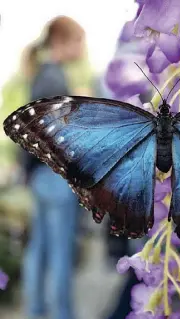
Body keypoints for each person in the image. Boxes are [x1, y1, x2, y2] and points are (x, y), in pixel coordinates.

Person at [1, 16, 93, 319]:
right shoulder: (56, 80)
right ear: (61, 43)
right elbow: (64, 138)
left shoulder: (40, 74)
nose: (82, 47)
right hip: (56, 178)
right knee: (60, 254)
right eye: (78, 41)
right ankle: (62, 314)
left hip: (40, 176)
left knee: (39, 248)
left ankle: (36, 310)